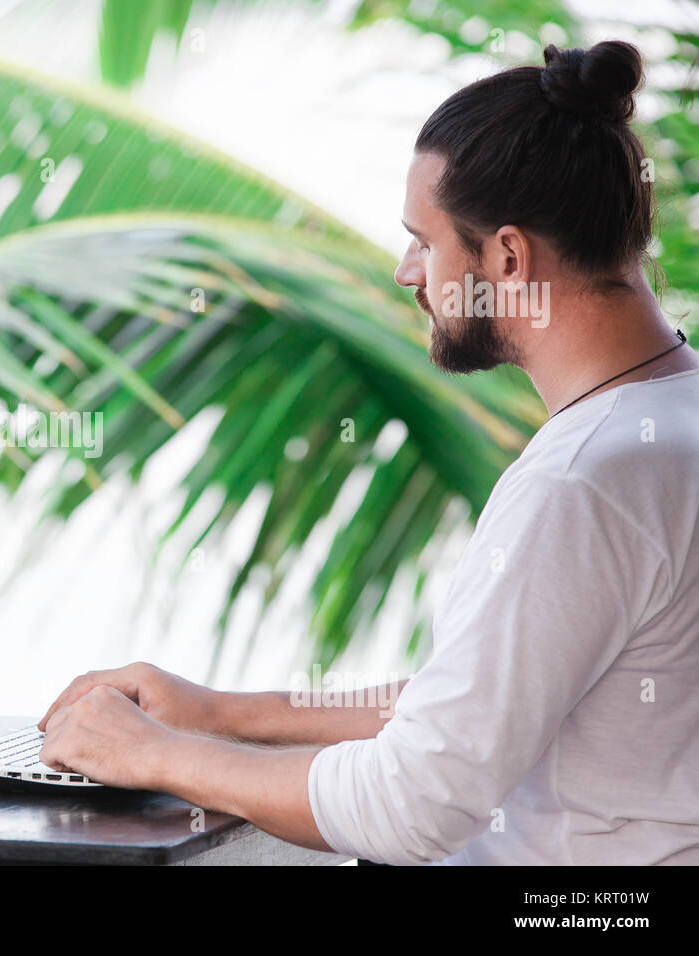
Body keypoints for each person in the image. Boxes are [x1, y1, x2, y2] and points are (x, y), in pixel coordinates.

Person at [36, 40, 699, 865]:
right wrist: (218, 714)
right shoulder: (670, 423)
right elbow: (477, 704)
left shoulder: (586, 482)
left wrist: (150, 755)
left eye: (424, 241)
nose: (404, 272)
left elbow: (409, 807)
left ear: (507, 257)